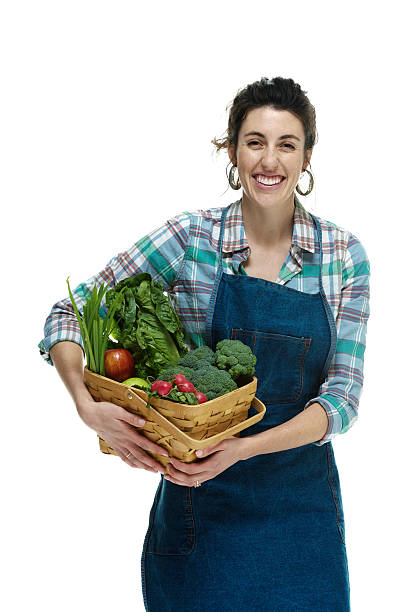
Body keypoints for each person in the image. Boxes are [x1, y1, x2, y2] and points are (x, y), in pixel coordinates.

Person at [39, 76, 370, 611]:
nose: (270, 160)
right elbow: (69, 314)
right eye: (255, 141)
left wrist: (243, 447)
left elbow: (342, 399)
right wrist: (86, 404)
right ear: (233, 150)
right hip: (201, 505)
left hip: (299, 512)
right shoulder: (192, 238)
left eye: (287, 144)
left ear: (307, 157)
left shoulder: (343, 256)